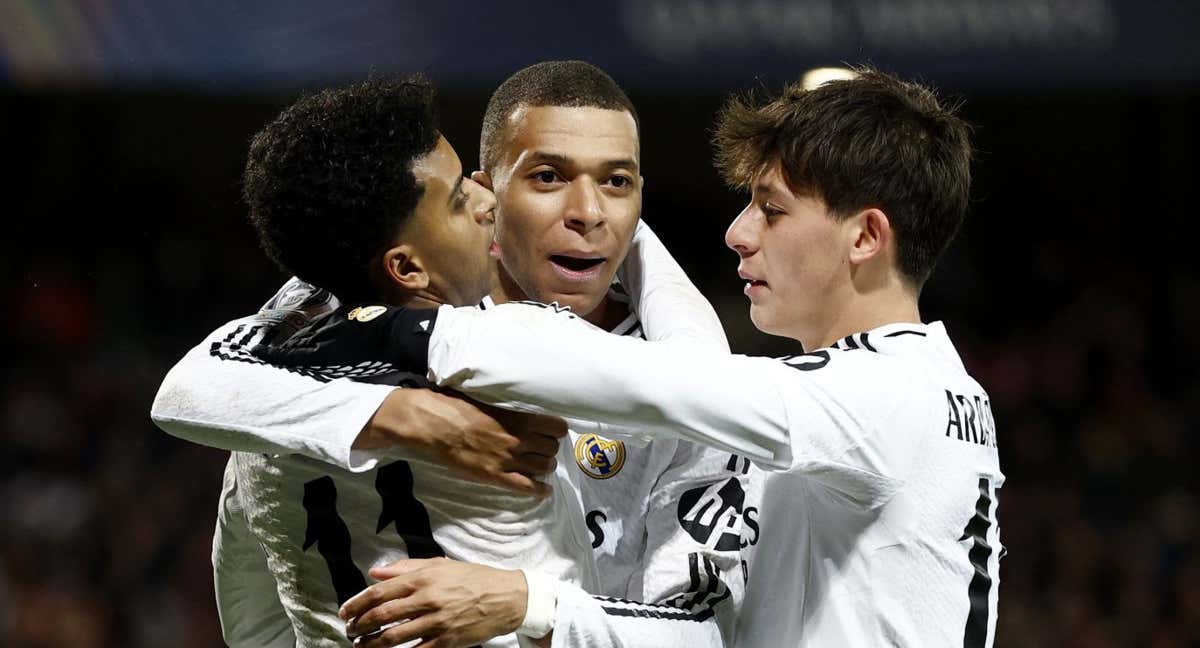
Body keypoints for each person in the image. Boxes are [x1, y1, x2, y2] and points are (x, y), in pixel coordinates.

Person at [264, 68, 1002, 648]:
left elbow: (658, 379)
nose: (739, 233)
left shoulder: (877, 397)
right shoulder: (910, 390)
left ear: (866, 238)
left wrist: (383, 334)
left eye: (771, 210)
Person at [152, 61, 753, 647]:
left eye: (616, 182)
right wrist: (412, 418)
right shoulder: (523, 341)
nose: (589, 212)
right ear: (495, 188)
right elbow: (701, 385)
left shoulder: (282, 375)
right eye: (547, 177)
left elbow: (251, 610)